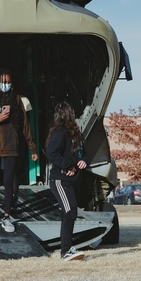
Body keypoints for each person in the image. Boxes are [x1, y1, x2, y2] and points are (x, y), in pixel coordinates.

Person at [0, 68, 38, 232]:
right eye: (3, 82)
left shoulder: (17, 100)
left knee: (9, 181)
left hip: (12, 146)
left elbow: (25, 126)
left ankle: (6, 216)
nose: (6, 85)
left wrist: (33, 148)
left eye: (8, 82)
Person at [46, 102, 87, 262]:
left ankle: (67, 248)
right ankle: (65, 251)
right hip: (60, 180)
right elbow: (52, 153)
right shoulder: (59, 132)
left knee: (68, 214)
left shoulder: (76, 134)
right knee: (70, 213)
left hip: (73, 180)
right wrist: (69, 165)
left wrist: (84, 161)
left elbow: (84, 153)